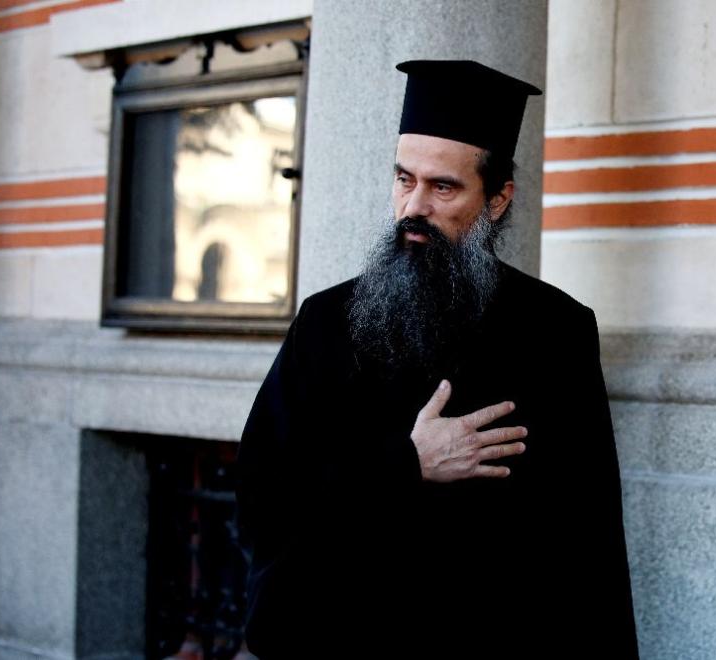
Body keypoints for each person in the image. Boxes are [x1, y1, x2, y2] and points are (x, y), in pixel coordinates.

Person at [236, 59, 640, 659]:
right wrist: (406, 464)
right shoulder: (325, 321)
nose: (413, 207)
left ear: (497, 200)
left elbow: (588, 533)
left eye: (442, 187)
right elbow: (266, 492)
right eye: (404, 179)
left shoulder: (556, 329)